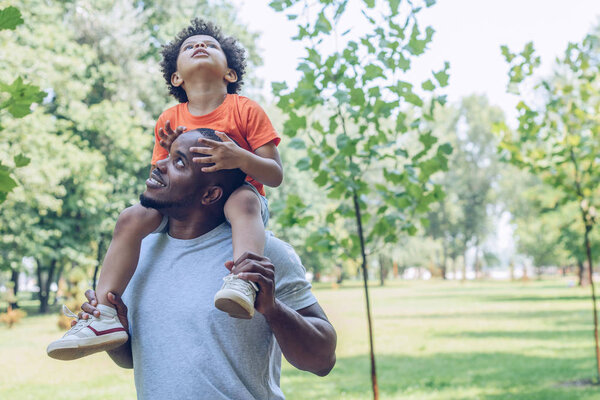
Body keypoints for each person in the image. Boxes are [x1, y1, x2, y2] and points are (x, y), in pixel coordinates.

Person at [47, 19, 283, 359]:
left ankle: (243, 281)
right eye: (189, 47)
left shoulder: (244, 109)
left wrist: (238, 156)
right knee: (130, 217)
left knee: (244, 201)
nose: (199, 47)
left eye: (210, 45)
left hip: (238, 195)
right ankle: (104, 314)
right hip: (184, 206)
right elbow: (160, 181)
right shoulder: (169, 118)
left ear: (230, 73)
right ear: (177, 78)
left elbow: (274, 175)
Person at [61, 130, 337, 399]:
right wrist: (118, 332)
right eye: (167, 156)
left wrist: (274, 310)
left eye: (178, 162)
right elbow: (138, 361)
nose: (159, 164)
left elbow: (322, 361)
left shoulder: (259, 256)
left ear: (210, 195)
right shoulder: (137, 253)